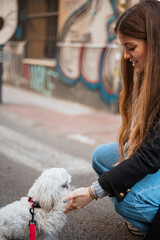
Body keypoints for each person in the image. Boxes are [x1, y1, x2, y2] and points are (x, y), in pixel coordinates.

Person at [63, 0, 160, 238]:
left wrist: (94, 191)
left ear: (154, 42)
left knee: (126, 203)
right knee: (102, 157)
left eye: (131, 47)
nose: (126, 55)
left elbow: (150, 156)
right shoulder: (150, 75)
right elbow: (148, 146)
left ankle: (147, 216)